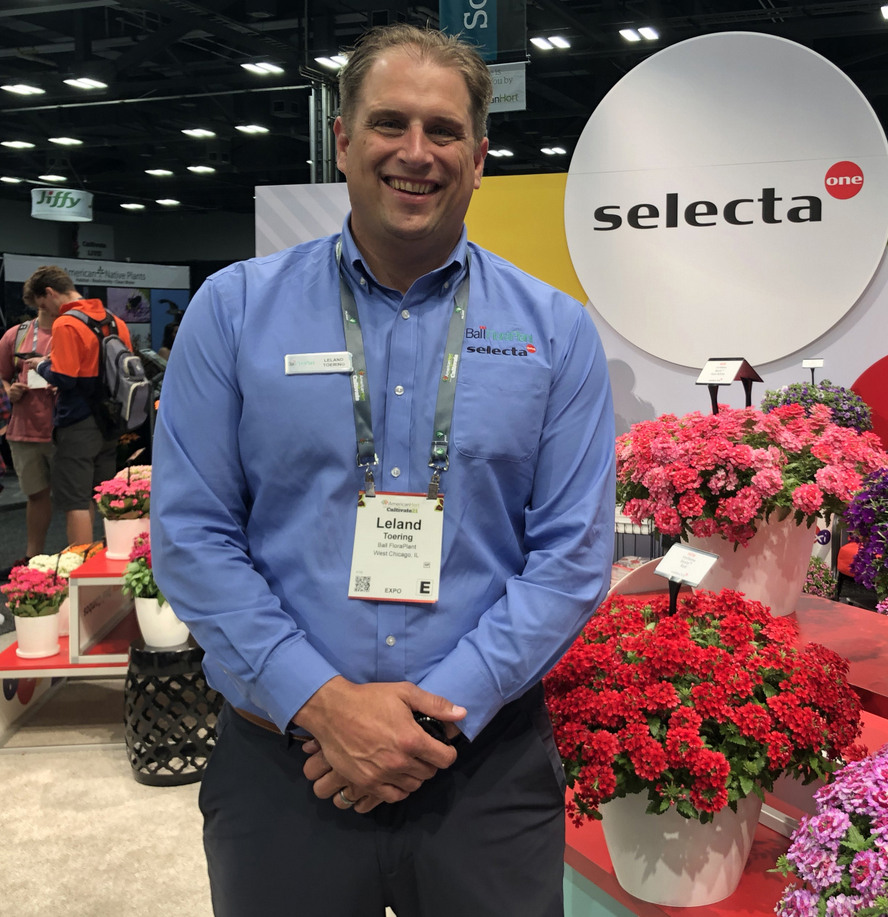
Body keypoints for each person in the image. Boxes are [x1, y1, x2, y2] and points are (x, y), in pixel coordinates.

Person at [151, 23, 615, 917]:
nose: (416, 152)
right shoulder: (234, 312)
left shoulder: (554, 332)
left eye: (444, 131)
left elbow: (570, 558)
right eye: (389, 123)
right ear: (342, 140)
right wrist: (324, 704)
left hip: (481, 773)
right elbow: (191, 535)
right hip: (285, 767)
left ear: (479, 157)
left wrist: (429, 719)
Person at [28, 266, 131, 547]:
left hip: (78, 423)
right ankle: (115, 555)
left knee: (76, 500)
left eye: (42, 304)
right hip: (111, 421)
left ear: (50, 292)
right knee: (106, 496)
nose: (45, 311)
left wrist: (41, 365)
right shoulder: (116, 322)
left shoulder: (66, 323)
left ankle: (80, 565)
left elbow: (65, 378)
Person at [0, 289, 59, 564]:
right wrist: (9, 391)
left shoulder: (72, 332)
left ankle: (82, 561)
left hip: (66, 430)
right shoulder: (16, 335)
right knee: (36, 495)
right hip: (25, 430)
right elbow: (3, 376)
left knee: (78, 498)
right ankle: (32, 558)